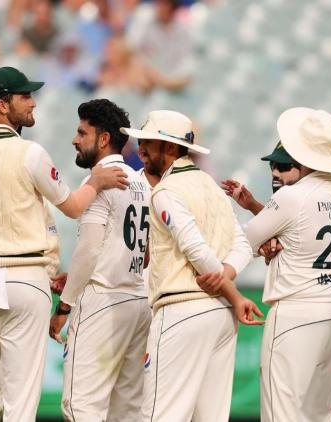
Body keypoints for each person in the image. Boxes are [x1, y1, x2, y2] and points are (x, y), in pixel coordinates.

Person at [0, 66, 128, 422]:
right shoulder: (30, 153)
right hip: (23, 277)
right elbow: (73, 207)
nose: (33, 103)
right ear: (3, 105)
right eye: (25, 97)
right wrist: (94, 181)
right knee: (20, 400)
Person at [122, 110, 259, 421]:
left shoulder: (165, 191)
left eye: (149, 143)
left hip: (181, 310)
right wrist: (226, 279)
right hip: (220, 315)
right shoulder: (212, 186)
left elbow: (193, 247)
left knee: (161, 415)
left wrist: (232, 292)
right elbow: (242, 244)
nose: (141, 149)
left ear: (171, 148)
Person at [243, 107, 331, 422]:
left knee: (282, 412)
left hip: (295, 313)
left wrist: (262, 244)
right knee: (319, 413)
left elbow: (246, 240)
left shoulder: (293, 195)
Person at [48, 99, 152, 421]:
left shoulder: (99, 180)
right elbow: (144, 254)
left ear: (103, 139)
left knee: (81, 406)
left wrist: (64, 307)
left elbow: (90, 249)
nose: (75, 140)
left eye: (82, 132)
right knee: (126, 408)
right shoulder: (142, 181)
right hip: (137, 301)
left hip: (102, 301)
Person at [220, 141, 301, 217]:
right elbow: (273, 223)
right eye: (272, 165)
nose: (274, 173)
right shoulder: (290, 201)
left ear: (303, 168)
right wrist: (252, 205)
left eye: (283, 166)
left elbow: (253, 230)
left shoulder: (300, 203)